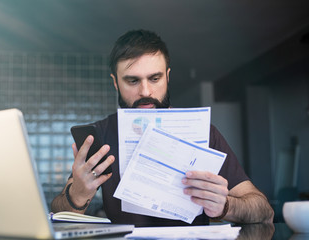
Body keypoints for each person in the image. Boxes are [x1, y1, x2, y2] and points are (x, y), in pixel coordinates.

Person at [51, 29, 274, 226]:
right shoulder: (100, 135)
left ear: (167, 77)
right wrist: (76, 195)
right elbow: (59, 215)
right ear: (115, 83)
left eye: (155, 78)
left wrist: (226, 206)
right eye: (132, 81)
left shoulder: (204, 132)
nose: (145, 91)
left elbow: (264, 212)